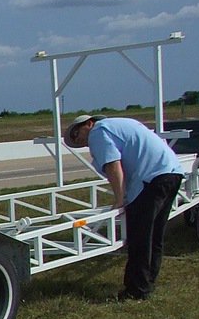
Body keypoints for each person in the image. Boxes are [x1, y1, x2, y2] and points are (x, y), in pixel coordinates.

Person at [65, 114, 184, 301]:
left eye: (76, 133)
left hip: (151, 179)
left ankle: (136, 291)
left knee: (140, 237)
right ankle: (147, 282)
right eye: (74, 140)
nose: (77, 140)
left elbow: (113, 165)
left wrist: (120, 199)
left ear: (89, 123)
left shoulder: (98, 131)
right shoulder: (118, 125)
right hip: (171, 172)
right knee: (154, 235)